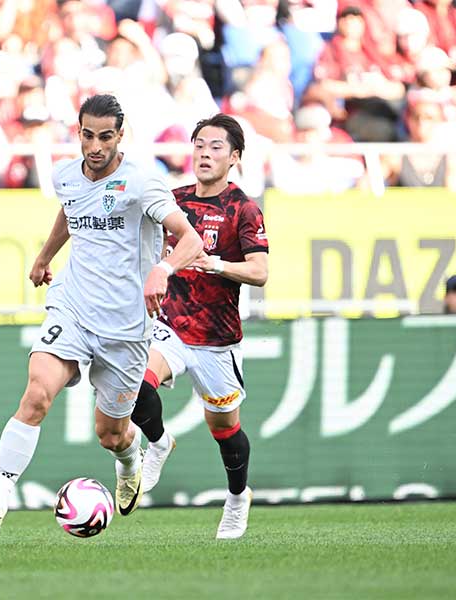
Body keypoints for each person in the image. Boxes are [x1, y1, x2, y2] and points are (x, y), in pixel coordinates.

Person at [0, 94, 203, 539]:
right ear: (78, 132)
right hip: (73, 306)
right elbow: (71, 211)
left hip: (126, 327)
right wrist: (44, 256)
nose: (95, 147)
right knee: (37, 393)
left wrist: (163, 269)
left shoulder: (142, 183)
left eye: (105, 137)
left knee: (111, 435)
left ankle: (131, 459)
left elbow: (191, 239)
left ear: (120, 136)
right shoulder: (65, 175)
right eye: (88, 136)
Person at [129, 114, 269, 539]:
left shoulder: (243, 208)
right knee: (135, 383)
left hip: (216, 339)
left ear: (235, 157)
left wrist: (217, 265)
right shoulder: (173, 202)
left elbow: (260, 271)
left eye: (216, 147)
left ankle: (237, 498)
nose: (205, 154)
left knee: (224, 429)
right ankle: (158, 443)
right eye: (199, 145)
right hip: (169, 325)